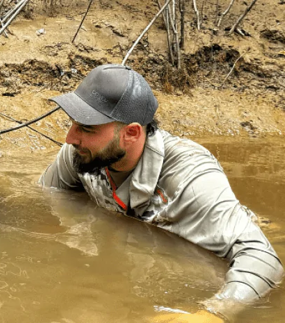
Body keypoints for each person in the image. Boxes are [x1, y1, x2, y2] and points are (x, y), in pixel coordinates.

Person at [39, 64, 283, 322]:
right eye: (73, 124)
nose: (69, 138)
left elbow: (263, 258)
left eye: (87, 128)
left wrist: (212, 314)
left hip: (213, 225)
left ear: (131, 133)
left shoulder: (191, 177)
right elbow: (47, 200)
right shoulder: (81, 154)